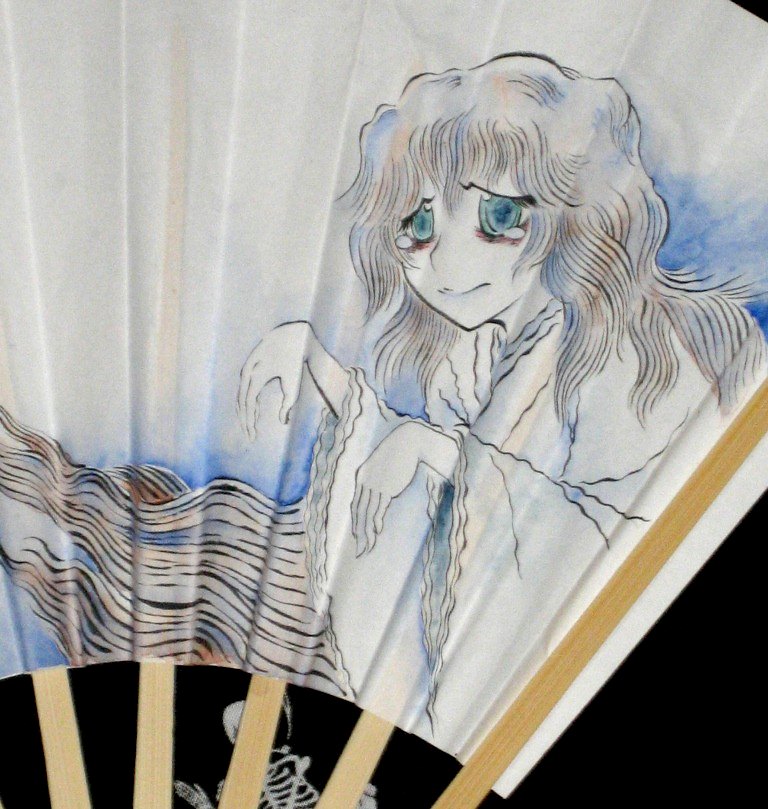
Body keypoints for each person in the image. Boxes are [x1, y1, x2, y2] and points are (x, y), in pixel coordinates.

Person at [237, 53, 766, 741]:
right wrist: (327, 374)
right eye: (418, 228)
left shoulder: (640, 358)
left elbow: (626, 557)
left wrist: (441, 456)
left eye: (498, 214)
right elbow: (457, 471)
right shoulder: (487, 343)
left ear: (577, 213)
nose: (445, 263)